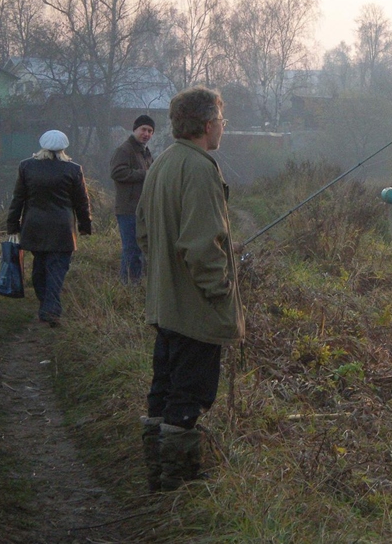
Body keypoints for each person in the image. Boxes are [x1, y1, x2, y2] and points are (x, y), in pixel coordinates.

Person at [135, 86, 245, 492]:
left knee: (163, 389)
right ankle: (178, 483)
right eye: (221, 121)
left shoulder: (163, 162)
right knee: (189, 395)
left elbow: (144, 233)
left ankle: (157, 474)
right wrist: (220, 291)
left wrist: (168, 272)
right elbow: (201, 246)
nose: (222, 128)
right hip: (195, 310)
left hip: (166, 304)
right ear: (206, 124)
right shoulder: (199, 169)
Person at [6, 130, 92, 328]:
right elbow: (82, 202)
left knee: (40, 270)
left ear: (42, 145)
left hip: (34, 227)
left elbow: (18, 198)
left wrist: (13, 225)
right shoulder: (73, 169)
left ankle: (47, 307)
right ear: (64, 147)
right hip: (63, 229)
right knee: (56, 271)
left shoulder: (27, 166)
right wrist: (85, 226)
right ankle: (50, 311)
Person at [110, 114, 154, 284]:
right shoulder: (125, 150)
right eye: (143, 129)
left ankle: (135, 284)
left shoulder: (145, 151)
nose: (147, 133)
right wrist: (145, 174)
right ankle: (128, 285)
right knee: (132, 249)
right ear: (135, 129)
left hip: (142, 208)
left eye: (150, 131)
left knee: (141, 248)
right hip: (128, 208)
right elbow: (117, 172)